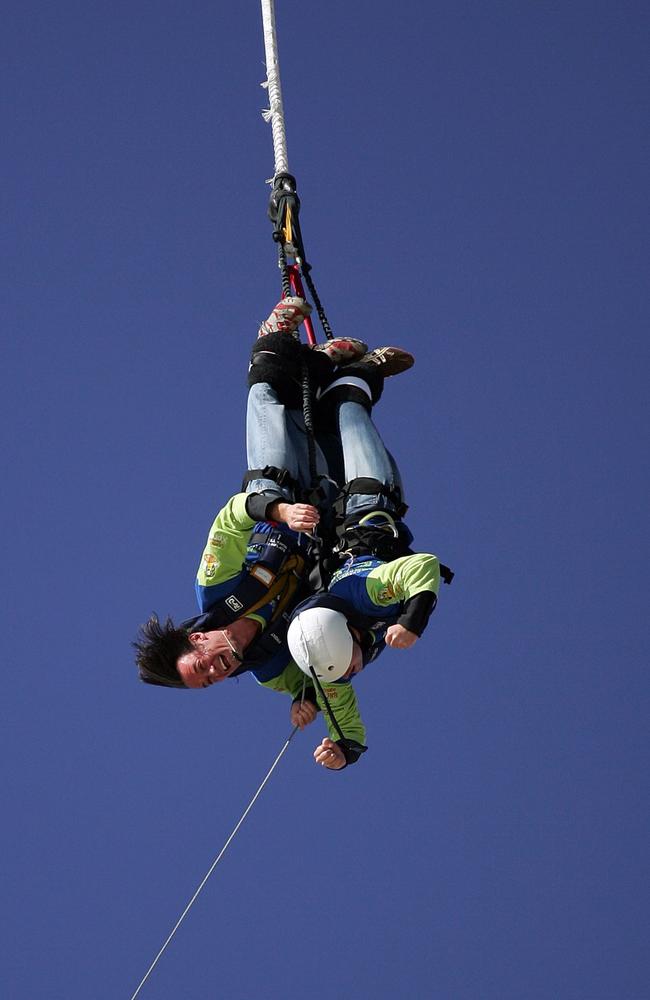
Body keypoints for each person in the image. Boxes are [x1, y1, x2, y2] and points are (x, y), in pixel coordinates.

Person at [133, 296, 366, 689]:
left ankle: (272, 345)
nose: (216, 671)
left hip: (281, 507)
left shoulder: (215, 589)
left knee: (268, 472)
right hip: (324, 528)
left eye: (201, 666)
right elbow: (320, 682)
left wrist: (280, 512)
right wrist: (306, 707)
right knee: (345, 461)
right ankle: (336, 370)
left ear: (197, 640)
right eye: (209, 681)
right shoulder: (270, 668)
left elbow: (231, 516)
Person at [286, 350, 452, 771]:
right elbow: (348, 726)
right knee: (331, 427)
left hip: (368, 499)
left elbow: (422, 567)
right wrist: (343, 752)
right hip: (347, 518)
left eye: (350, 668)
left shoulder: (366, 596)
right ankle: (335, 380)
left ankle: (363, 372)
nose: (352, 674)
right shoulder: (334, 671)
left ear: (352, 637)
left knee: (351, 414)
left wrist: (412, 621)